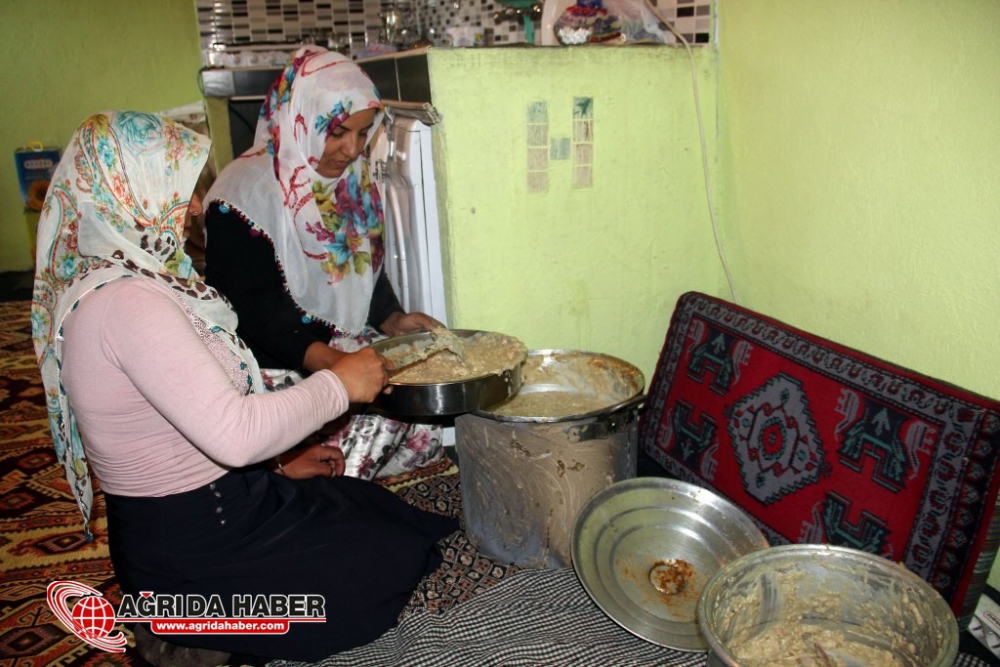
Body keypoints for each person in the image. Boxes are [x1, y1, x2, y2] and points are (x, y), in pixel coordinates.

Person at [31, 111, 457, 663]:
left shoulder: (130, 279)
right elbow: (233, 434)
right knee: (377, 570)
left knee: (373, 510)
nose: (189, 211)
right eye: (174, 191)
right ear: (126, 193)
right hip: (195, 552)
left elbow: (186, 417)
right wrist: (338, 383)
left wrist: (277, 466)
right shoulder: (127, 304)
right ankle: (184, 631)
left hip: (223, 508)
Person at [203, 46, 445, 481]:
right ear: (299, 120)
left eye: (363, 132)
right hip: (270, 361)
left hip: (331, 345)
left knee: (420, 416)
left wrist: (391, 319)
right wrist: (334, 368)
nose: (351, 150)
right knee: (372, 424)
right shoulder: (242, 195)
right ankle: (280, 471)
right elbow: (253, 315)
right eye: (337, 133)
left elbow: (358, 270)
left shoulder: (350, 184)